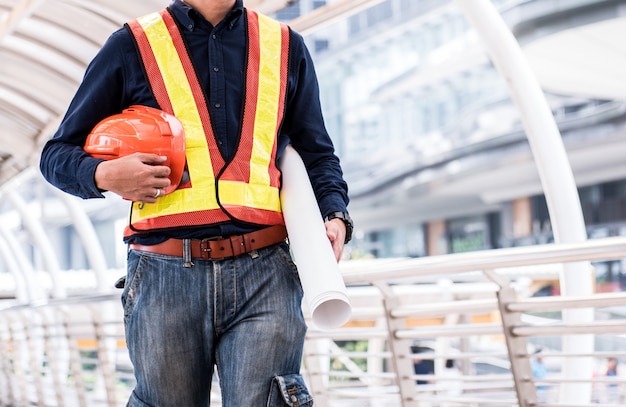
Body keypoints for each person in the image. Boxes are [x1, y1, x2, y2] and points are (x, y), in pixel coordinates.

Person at [39, 0, 352, 406]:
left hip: (266, 274)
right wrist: (103, 175)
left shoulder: (285, 45)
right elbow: (56, 154)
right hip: (164, 276)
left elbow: (316, 153)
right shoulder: (131, 45)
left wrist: (336, 215)